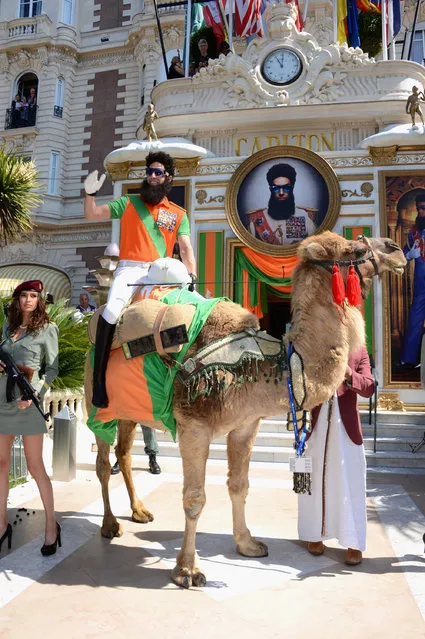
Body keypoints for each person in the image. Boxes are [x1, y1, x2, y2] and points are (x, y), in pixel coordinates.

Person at [83, 150, 197, 408]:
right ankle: (99, 383)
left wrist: (191, 276)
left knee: (192, 305)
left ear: (168, 178)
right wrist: (89, 193)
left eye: (158, 172)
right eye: (150, 172)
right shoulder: (128, 202)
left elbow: (186, 248)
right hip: (131, 269)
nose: (153, 176)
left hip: (162, 269)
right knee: (111, 311)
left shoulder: (178, 213)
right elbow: (93, 215)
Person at [298, 346, 375, 566]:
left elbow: (369, 387)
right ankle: (315, 534)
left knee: (350, 485)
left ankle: (353, 542)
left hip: (347, 431)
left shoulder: (359, 351)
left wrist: (349, 373)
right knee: (313, 482)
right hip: (315, 426)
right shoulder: (315, 343)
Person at [0, 280, 61, 556]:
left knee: (35, 467)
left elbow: (52, 368)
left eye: (33, 296)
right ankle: (1, 526)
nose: (28, 300)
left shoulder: (48, 329)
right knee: (1, 464)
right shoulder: (9, 327)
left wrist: (36, 393)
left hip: (28, 403)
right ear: (17, 300)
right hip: (3, 401)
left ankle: (51, 525)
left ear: (39, 300)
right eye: (24, 295)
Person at [245, 163, 318, 245]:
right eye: (276, 188)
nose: (281, 193)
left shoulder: (305, 217)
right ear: (270, 189)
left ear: (292, 187)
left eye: (286, 187)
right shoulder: (256, 220)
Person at [401, 193, 425, 366]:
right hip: (420, 285)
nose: (421, 212)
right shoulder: (414, 233)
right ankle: (409, 359)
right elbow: (402, 256)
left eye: (424, 208)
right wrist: (409, 254)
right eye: (419, 209)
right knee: (415, 321)